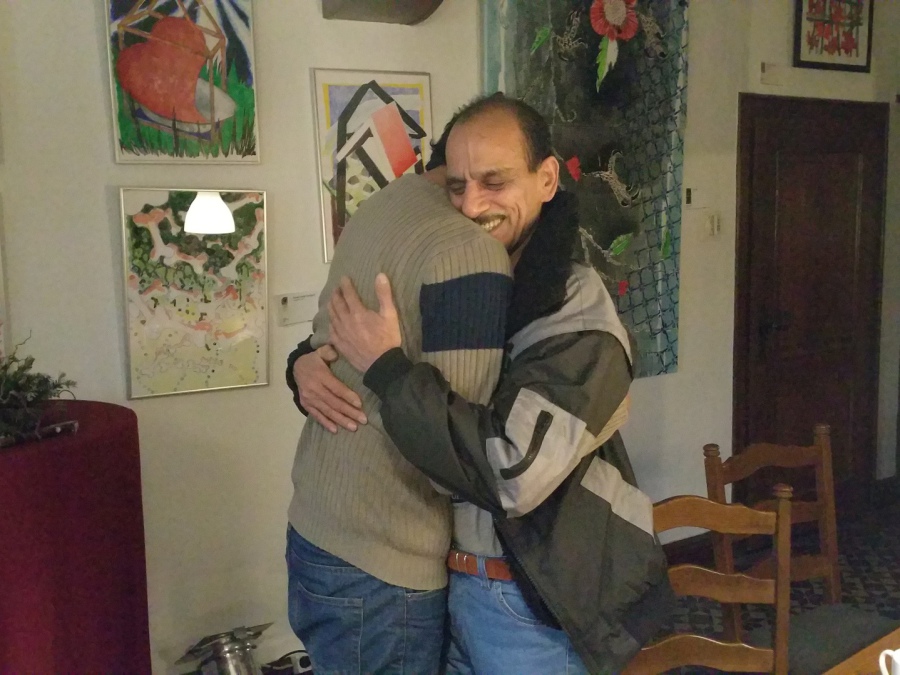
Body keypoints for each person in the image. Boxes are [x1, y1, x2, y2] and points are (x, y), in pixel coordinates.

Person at [319, 95, 674, 673]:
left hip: (532, 603)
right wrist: (306, 363)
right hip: (454, 583)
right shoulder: (475, 278)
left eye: (494, 181)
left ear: (547, 179)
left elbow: (512, 472)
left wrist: (386, 369)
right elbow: (358, 333)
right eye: (456, 186)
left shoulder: (575, 312)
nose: (470, 205)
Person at [283, 124, 516, 671]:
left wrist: (300, 366)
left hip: (318, 525)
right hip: (386, 559)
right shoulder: (470, 250)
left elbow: (323, 345)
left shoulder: (384, 202)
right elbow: (454, 462)